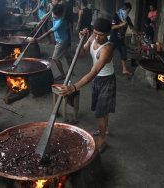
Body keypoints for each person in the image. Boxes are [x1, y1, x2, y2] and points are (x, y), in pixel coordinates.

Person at [59, 18, 115, 152]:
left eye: (101, 35)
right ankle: (104, 129)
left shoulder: (107, 48)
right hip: (97, 80)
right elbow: (81, 54)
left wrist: (74, 87)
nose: (97, 37)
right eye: (95, 33)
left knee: (100, 113)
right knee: (101, 110)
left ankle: (102, 140)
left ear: (107, 34)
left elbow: (94, 71)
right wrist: (83, 39)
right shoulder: (92, 38)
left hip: (107, 81)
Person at [37, 4, 72, 81]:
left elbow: (49, 32)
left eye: (55, 15)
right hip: (62, 39)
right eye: (53, 14)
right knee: (67, 55)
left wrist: (38, 39)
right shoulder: (55, 14)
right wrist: (41, 21)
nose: (53, 16)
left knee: (55, 58)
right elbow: (46, 16)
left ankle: (63, 75)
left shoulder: (61, 21)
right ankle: (71, 70)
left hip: (62, 41)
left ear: (59, 15)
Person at [110, 2, 135, 75]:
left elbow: (132, 27)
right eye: (128, 11)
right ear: (124, 9)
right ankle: (103, 65)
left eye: (129, 12)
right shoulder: (116, 16)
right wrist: (122, 24)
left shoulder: (127, 18)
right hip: (114, 38)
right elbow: (112, 27)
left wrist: (138, 33)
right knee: (109, 53)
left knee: (123, 53)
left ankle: (124, 69)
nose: (128, 13)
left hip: (121, 39)